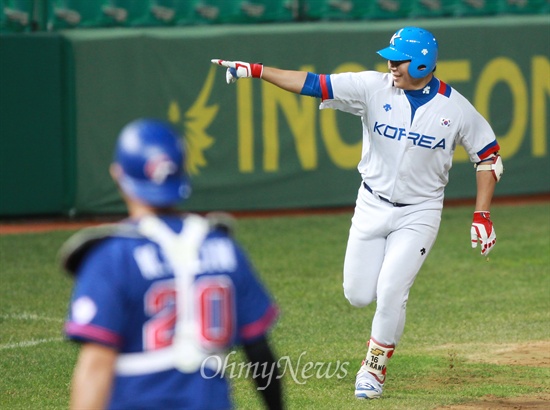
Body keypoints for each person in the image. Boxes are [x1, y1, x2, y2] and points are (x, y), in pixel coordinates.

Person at [211, 26, 503, 400]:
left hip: (420, 211)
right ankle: (381, 331)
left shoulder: (455, 108)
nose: (391, 65)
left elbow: (488, 157)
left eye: (399, 60)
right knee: (358, 294)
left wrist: (482, 214)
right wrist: (257, 70)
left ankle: (374, 367)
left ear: (423, 63)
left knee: (391, 289)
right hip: (371, 203)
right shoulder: (373, 87)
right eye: (391, 59)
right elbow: (313, 83)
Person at [59, 119, 283, 409]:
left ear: (118, 175)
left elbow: (95, 366)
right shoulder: (223, 247)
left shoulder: (113, 256)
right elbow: (259, 351)